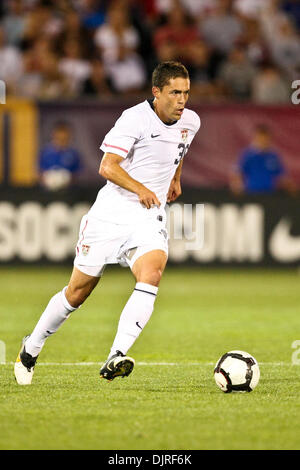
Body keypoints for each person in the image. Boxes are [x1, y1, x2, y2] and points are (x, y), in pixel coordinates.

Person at [14, 61, 201, 385]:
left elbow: (178, 149)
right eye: (174, 93)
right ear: (156, 92)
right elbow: (107, 166)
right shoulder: (133, 119)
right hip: (111, 213)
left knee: (152, 272)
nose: (182, 100)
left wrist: (175, 177)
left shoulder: (191, 122)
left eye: (186, 92)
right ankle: (31, 347)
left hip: (149, 214)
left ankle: (116, 354)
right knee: (77, 292)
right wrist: (141, 187)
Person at [229, 124, 292, 194]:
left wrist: (290, 186)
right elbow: (237, 172)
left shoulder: (274, 155)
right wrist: (237, 185)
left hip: (270, 193)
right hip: (251, 193)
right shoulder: (247, 154)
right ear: (256, 137)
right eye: (260, 137)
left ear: (269, 138)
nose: (263, 140)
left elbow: (282, 175)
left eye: (265, 138)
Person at [39, 121, 82, 191]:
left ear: (68, 137)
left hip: (68, 191)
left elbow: (77, 174)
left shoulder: (74, 154)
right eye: (59, 138)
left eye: (64, 139)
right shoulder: (45, 152)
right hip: (48, 190)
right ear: (54, 136)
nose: (61, 141)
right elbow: (40, 173)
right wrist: (48, 181)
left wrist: (66, 180)